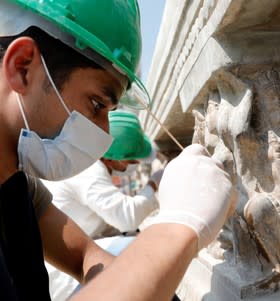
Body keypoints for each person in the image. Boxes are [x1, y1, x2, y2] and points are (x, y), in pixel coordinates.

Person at [0, 1, 235, 301]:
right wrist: (180, 226)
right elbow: (128, 223)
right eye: (97, 104)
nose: (105, 134)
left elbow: (85, 256)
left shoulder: (19, 187)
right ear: (22, 67)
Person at [44, 110, 159, 239]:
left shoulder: (83, 159)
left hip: (89, 236)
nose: (134, 164)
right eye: (131, 160)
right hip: (72, 250)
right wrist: (153, 184)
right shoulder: (89, 173)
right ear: (110, 159)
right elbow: (126, 218)